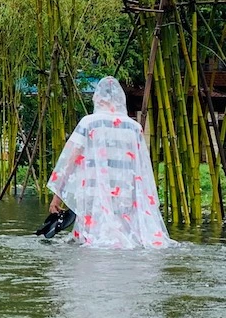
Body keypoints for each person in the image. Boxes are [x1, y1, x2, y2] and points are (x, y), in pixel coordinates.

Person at [47, 76, 176, 249]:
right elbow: (143, 167)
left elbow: (71, 159)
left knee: (94, 239)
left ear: (98, 98)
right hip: (126, 192)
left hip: (94, 192)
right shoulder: (134, 127)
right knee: (124, 235)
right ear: (120, 99)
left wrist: (58, 196)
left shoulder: (89, 123)